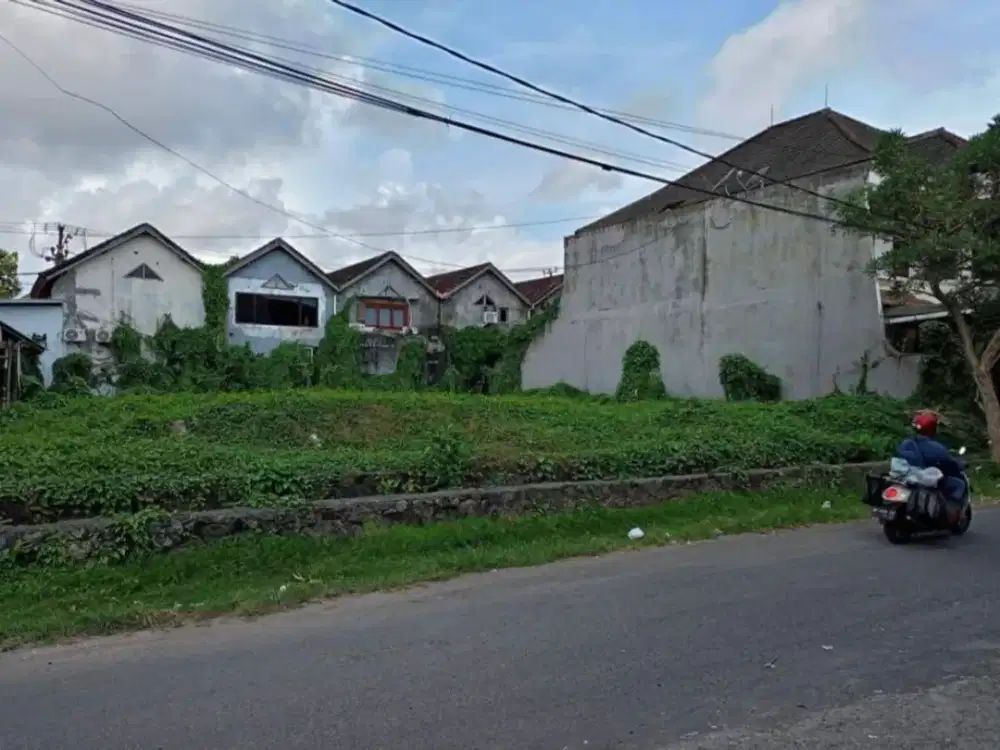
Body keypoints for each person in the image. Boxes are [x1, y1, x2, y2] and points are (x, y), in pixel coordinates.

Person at [895, 410, 966, 525]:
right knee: (959, 484)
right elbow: (949, 463)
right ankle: (950, 516)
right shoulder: (936, 448)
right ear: (933, 429)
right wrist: (958, 465)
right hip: (926, 478)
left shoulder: (906, 443)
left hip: (908, 476)